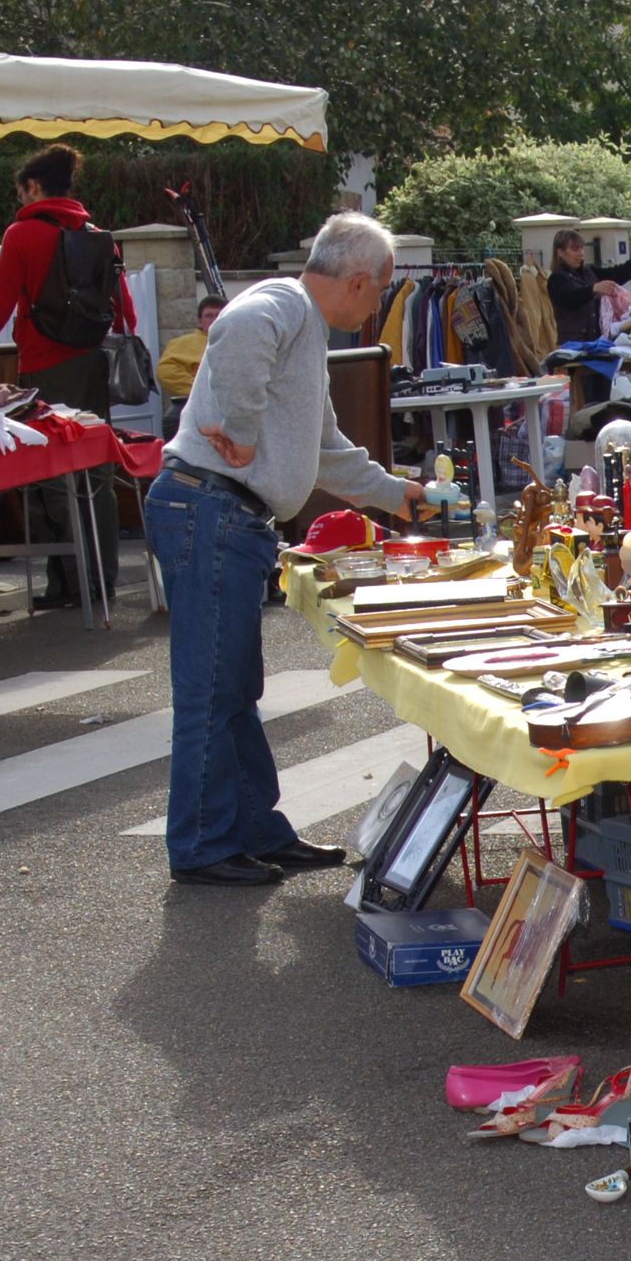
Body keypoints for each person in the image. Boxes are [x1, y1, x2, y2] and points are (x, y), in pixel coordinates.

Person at [151, 211, 424, 887]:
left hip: (224, 515)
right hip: (212, 510)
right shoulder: (283, 304)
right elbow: (236, 334)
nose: (375, 307)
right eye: (380, 292)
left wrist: (394, 493)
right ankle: (203, 845)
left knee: (233, 690)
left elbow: (325, 449)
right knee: (213, 693)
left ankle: (250, 830)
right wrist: (240, 428)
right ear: (360, 282)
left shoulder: (301, 324)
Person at [0, 142, 137, 601]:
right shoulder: (98, 234)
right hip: (93, 363)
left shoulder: (22, 236)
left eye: (21, 191)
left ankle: (68, 583)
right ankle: (100, 580)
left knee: (55, 476)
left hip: (46, 366)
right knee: (97, 472)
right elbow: (126, 312)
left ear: (32, 186)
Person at [545, 226, 631, 346]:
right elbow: (568, 297)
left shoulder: (589, 272)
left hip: (596, 343)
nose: (581, 253)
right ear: (560, 253)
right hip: (572, 346)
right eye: (574, 249)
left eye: (581, 248)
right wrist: (593, 289)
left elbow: (616, 275)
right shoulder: (557, 278)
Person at [157, 292, 227, 414]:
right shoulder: (184, 343)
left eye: (219, 315)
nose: (215, 320)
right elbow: (165, 371)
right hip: (200, 410)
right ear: (200, 321)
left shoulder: (241, 342)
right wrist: (201, 390)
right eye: (209, 316)